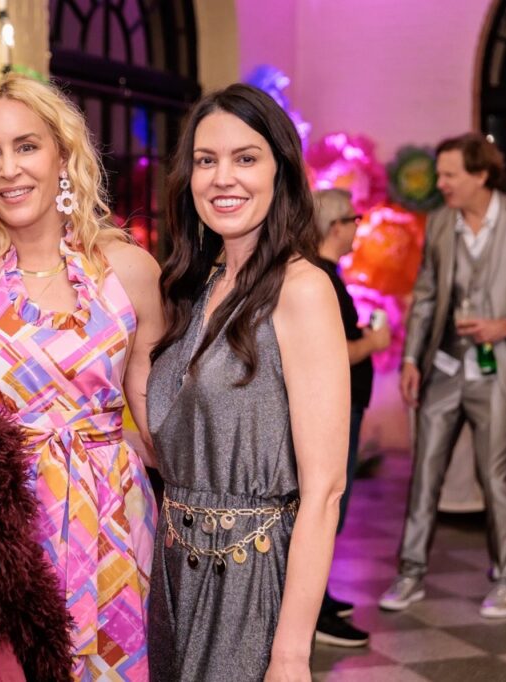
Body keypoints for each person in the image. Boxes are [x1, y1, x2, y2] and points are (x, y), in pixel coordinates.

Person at [0, 73, 164, 679]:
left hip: (116, 524)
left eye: (27, 146)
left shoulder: (128, 270)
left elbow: (158, 415)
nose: (9, 169)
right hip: (4, 533)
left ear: (62, 156)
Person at [147, 84, 349, 681]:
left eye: (245, 158)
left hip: (252, 576)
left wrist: (290, 653)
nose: (222, 178)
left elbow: (326, 490)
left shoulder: (302, 288)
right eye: (206, 160)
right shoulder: (195, 288)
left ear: (280, 170)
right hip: (175, 571)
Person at [380, 132, 506, 618]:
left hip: (499, 370)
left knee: (496, 476)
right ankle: (410, 573)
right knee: (424, 475)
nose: (439, 183)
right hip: (442, 369)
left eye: (449, 175)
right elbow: (425, 296)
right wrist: (409, 358)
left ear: (481, 175)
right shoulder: (441, 223)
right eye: (440, 174)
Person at [312, 188, 391, 647]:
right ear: (335, 226)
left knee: (331, 508)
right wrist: (374, 343)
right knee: (328, 509)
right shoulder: (320, 278)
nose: (358, 227)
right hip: (335, 408)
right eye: (354, 219)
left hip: (344, 406)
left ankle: (320, 596)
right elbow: (334, 352)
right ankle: (315, 609)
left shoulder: (328, 276)